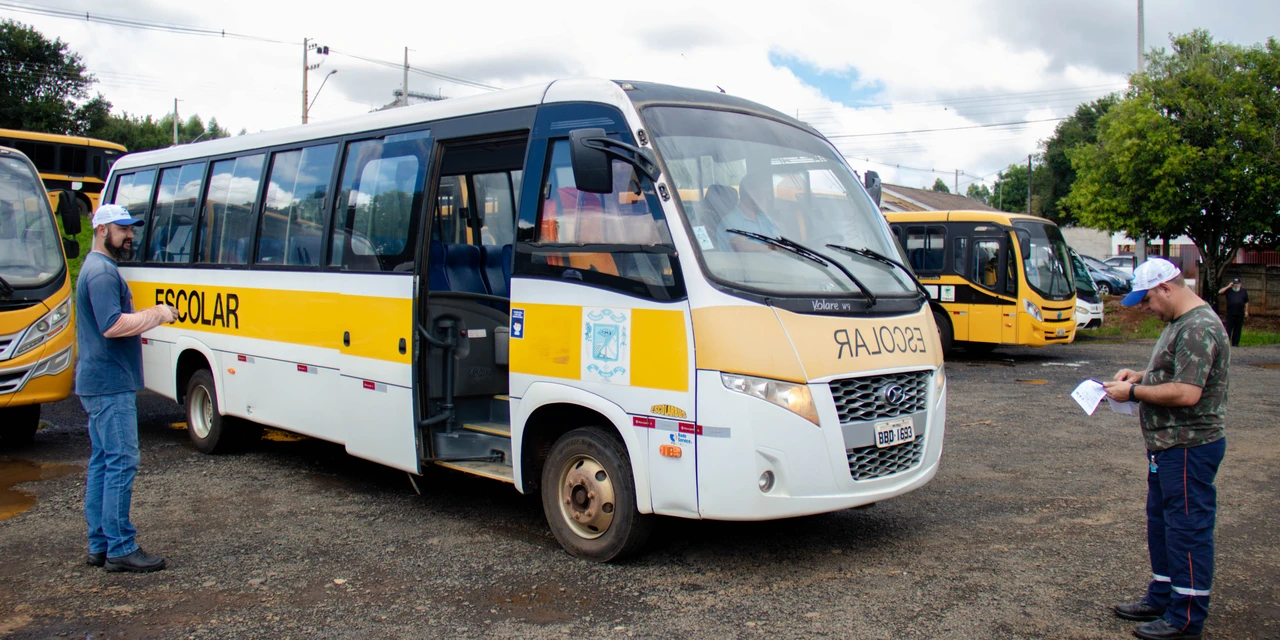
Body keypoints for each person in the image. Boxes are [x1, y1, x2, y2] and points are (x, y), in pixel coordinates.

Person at [1102, 258, 1229, 640]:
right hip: (1168, 448)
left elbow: (1187, 393)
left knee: (1187, 529)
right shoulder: (1181, 324)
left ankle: (1185, 618)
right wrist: (1142, 375)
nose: (1146, 308)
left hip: (1188, 446)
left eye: (1147, 300)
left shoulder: (1197, 328)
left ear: (1166, 289)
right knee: (1163, 525)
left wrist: (1134, 392)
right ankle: (1162, 595)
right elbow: (1177, 373)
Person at [76, 204, 178, 573]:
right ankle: (120, 547)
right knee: (121, 461)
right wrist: (159, 314)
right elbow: (112, 325)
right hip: (109, 383)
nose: (130, 235)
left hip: (98, 381)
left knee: (103, 462)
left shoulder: (95, 268)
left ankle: (100, 544)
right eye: (122, 229)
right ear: (102, 229)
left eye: (131, 228)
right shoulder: (102, 273)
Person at [716, 173, 781, 251]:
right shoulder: (730, 221)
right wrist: (772, 248)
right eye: (766, 194)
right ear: (752, 194)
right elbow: (741, 247)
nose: (769, 198)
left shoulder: (765, 218)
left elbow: (781, 243)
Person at [1216, 278, 1249, 347]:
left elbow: (1246, 302)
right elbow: (1220, 292)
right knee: (1228, 328)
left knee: (1238, 329)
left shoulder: (1243, 291)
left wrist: (1246, 311)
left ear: (1240, 284)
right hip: (1230, 313)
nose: (1236, 285)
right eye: (1234, 283)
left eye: (1237, 283)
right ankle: (1226, 344)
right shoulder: (1229, 290)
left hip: (1240, 313)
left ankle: (1235, 343)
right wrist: (1228, 286)